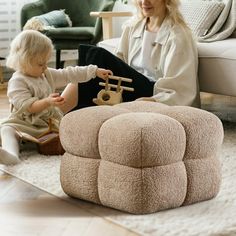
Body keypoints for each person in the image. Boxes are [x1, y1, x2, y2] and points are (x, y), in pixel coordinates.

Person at [0, 30, 112, 165]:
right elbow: (28, 107)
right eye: (41, 64)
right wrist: (47, 102)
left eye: (46, 62)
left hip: (47, 122)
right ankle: (11, 155)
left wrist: (94, 71)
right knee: (7, 130)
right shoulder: (17, 81)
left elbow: (68, 74)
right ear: (24, 61)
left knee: (67, 130)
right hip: (24, 122)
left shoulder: (45, 74)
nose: (45, 67)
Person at [74, 0, 200, 109]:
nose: (144, 1)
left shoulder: (178, 36)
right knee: (92, 61)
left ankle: (73, 113)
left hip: (154, 92)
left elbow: (181, 88)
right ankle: (65, 113)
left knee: (96, 54)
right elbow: (120, 62)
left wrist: (152, 101)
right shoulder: (133, 26)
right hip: (129, 86)